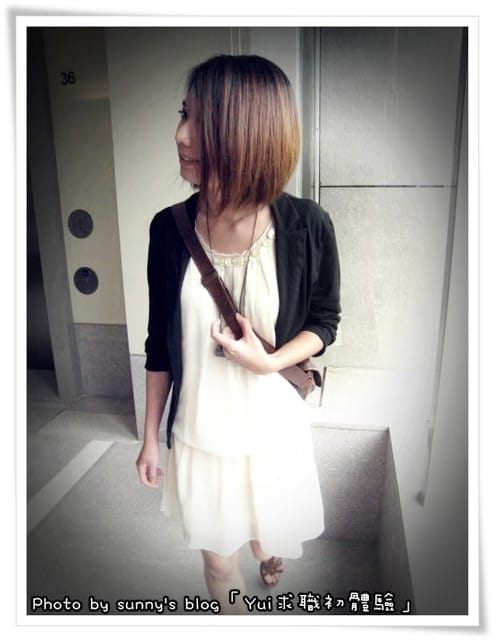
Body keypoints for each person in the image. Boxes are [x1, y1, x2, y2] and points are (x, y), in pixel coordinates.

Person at [136, 54, 341, 614]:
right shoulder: (168, 230)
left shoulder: (306, 226)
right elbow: (158, 344)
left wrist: (269, 361)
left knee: (265, 538)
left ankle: (267, 552)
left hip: (274, 434)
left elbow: (325, 322)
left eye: (201, 122)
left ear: (250, 134)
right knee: (218, 563)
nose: (181, 135)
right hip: (201, 436)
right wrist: (150, 436)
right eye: (183, 114)